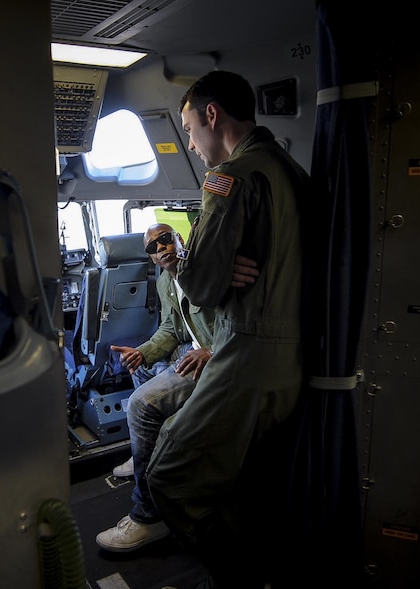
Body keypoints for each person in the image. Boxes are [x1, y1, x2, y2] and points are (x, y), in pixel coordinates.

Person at [145, 70, 310, 586]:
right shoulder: (292, 170)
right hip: (293, 360)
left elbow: (200, 288)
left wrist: (195, 264)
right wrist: (221, 266)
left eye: (190, 128)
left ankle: (235, 574)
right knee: (246, 484)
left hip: (247, 355)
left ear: (212, 115)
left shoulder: (230, 179)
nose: (191, 143)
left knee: (167, 473)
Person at [95, 222, 217, 552]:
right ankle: (143, 457)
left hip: (213, 362)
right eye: (153, 247)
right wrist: (143, 352)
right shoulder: (166, 282)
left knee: (139, 404)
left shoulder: (208, 270)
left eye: (166, 239)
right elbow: (169, 329)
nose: (161, 247)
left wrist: (212, 351)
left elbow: (237, 322)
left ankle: (149, 515)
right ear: (151, 258)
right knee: (140, 368)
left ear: (180, 240)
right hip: (188, 351)